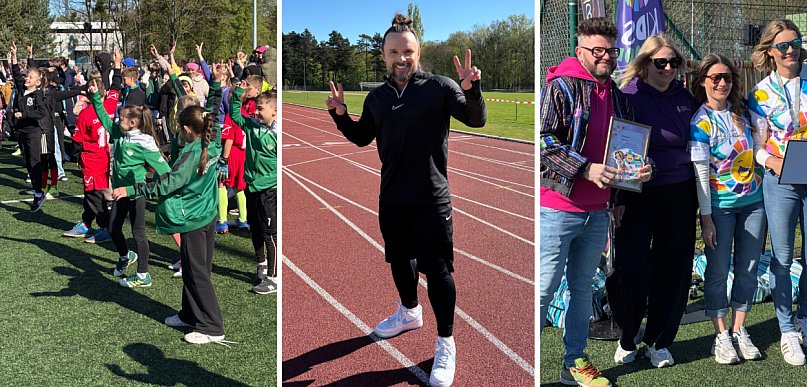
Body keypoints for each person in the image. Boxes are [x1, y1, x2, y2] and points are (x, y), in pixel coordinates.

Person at [326, 14, 485, 387]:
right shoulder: (377, 97)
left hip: (431, 198)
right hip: (393, 197)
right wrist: (340, 115)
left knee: (439, 272)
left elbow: (475, 119)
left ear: (418, 52)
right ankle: (409, 312)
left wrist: (472, 89)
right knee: (399, 260)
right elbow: (361, 137)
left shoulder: (439, 87)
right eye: (394, 52)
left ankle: (445, 343)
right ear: (383, 55)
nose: (401, 58)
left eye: (407, 51)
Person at [539, 17, 648, 387]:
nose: (606, 57)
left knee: (582, 288)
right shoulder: (561, 86)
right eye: (598, 50)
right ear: (580, 51)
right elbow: (544, 141)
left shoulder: (617, 95)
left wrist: (636, 173)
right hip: (558, 207)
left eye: (611, 51)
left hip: (599, 211)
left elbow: (626, 148)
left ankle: (573, 362)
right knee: (544, 289)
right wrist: (586, 169)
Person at [110, 64, 228, 345]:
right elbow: (212, 111)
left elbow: (165, 184)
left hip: (194, 218)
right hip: (205, 214)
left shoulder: (190, 156)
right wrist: (215, 84)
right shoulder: (212, 139)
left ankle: (212, 327)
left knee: (198, 273)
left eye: (179, 126)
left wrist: (130, 189)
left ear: (187, 130)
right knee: (194, 269)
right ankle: (189, 314)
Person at [605, 34, 696, 369]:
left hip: (680, 192)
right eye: (661, 62)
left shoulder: (685, 97)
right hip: (636, 194)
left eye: (674, 62)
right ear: (645, 64)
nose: (668, 68)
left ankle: (659, 340)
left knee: (674, 268)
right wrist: (617, 196)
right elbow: (615, 149)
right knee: (631, 268)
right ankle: (628, 335)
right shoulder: (627, 96)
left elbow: (699, 144)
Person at [689, 54, 766, 364]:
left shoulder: (743, 113)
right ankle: (721, 335)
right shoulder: (700, 121)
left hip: (754, 205)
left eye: (727, 78)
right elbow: (700, 176)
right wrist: (706, 219)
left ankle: (739, 329)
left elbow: (760, 148)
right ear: (703, 82)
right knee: (718, 271)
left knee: (748, 269)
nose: (722, 83)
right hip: (720, 209)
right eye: (715, 78)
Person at [748, 18, 807, 366]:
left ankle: (804, 318)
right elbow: (756, 146)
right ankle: (787, 331)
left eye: (795, 43)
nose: (790, 51)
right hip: (781, 180)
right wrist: (773, 162)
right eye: (782, 46)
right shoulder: (760, 93)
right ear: (770, 51)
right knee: (783, 258)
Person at [90, 58, 171, 287]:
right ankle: (125, 256)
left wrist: (158, 185)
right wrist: (95, 97)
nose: (118, 119)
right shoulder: (119, 132)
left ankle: (144, 275)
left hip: (135, 192)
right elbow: (104, 119)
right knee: (113, 228)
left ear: (134, 122)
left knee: (138, 233)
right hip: (119, 191)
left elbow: (165, 171)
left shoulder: (144, 142)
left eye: (123, 118)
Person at [229, 86, 276, 294]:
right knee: (255, 228)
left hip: (269, 190)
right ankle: (261, 265)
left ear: (274, 110)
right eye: (256, 108)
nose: (256, 112)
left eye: (260, 109)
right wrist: (237, 95)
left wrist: (264, 181)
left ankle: (274, 278)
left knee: (270, 233)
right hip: (252, 187)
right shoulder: (252, 125)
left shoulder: (278, 134)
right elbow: (235, 115)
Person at [62, 71, 117, 243]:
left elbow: (77, 141)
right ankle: (86, 223)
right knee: (91, 192)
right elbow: (115, 88)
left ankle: (106, 228)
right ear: (105, 93)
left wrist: (77, 157)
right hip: (105, 156)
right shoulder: (110, 105)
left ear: (87, 94)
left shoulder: (85, 114)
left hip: (92, 159)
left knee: (94, 194)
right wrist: (115, 67)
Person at [9, 42, 49, 211]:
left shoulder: (37, 95)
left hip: (33, 132)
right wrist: (14, 57)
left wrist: (23, 114)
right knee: (28, 163)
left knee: (34, 162)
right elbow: (16, 74)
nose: (26, 79)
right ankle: (37, 189)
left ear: (37, 82)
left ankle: (39, 193)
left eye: (30, 78)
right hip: (22, 131)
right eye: (27, 77)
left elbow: (41, 113)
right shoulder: (21, 90)